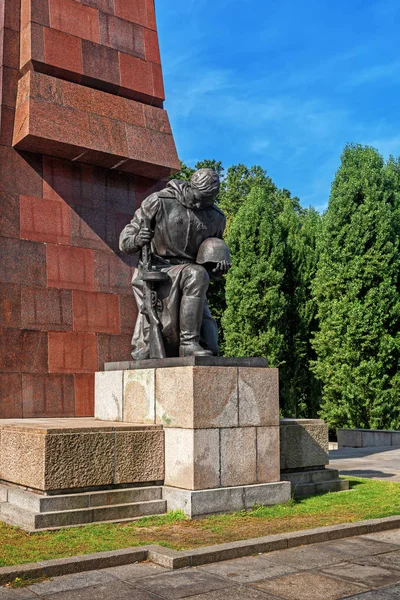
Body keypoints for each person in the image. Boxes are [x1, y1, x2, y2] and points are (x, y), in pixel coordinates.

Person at [119, 168, 231, 359]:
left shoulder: (216, 217)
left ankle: (191, 342)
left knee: (211, 342)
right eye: (197, 197)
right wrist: (138, 239)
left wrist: (216, 268)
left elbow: (206, 260)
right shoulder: (159, 201)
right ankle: (188, 343)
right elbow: (125, 241)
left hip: (192, 275)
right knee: (195, 274)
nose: (199, 204)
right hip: (159, 271)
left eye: (207, 201)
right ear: (190, 186)